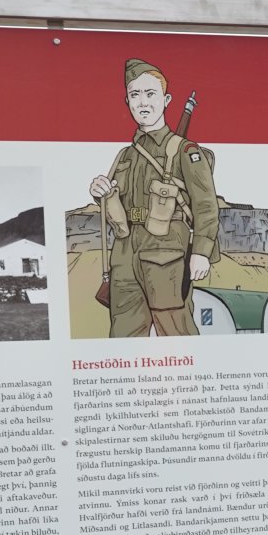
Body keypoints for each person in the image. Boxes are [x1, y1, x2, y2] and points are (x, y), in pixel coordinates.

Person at [89, 59, 220, 337]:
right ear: (127, 101)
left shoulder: (185, 150)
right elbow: (117, 203)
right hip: (125, 254)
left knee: (177, 334)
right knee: (123, 336)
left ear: (166, 100)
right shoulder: (125, 155)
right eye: (135, 95)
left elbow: (206, 205)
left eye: (151, 94)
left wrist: (201, 252)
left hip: (167, 252)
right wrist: (102, 192)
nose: (143, 102)